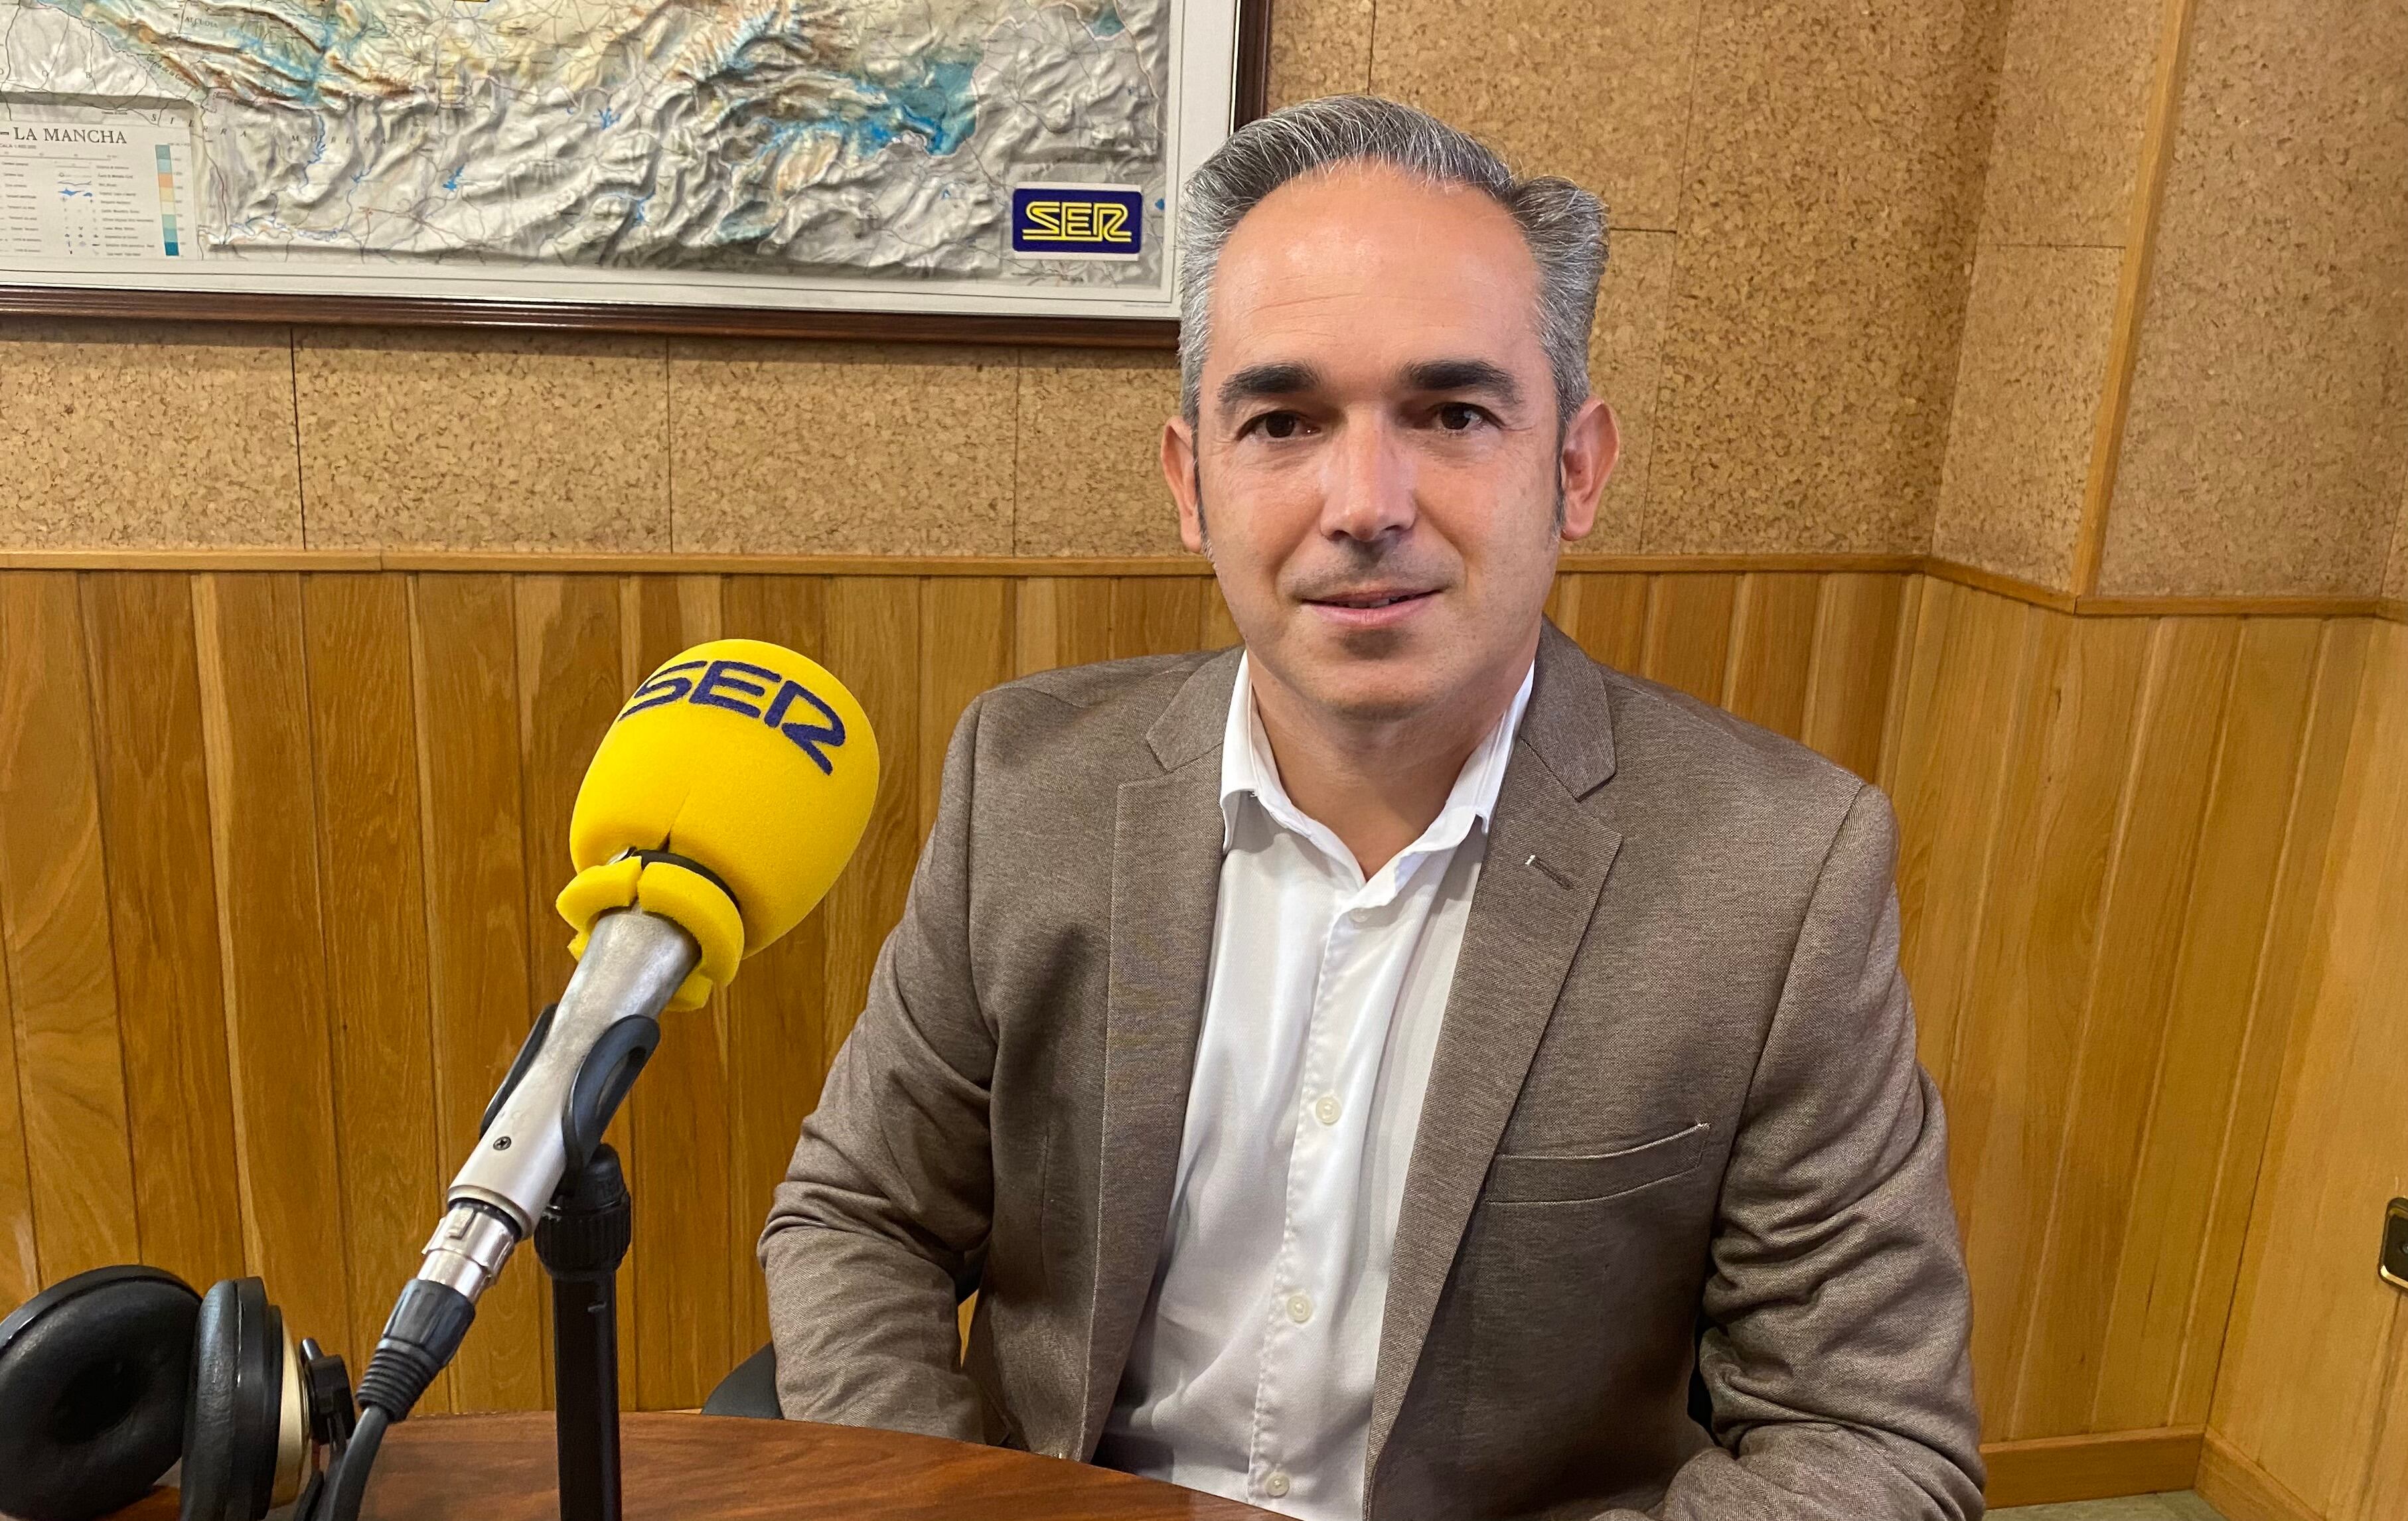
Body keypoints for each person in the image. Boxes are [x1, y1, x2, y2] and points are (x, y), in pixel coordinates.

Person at [759, 95, 1983, 1521]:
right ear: (1191, 482)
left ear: (1572, 470)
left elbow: (1872, 1444)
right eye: (1282, 420)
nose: (1363, 501)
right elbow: (860, 1219)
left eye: (1449, 412)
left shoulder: (1778, 873)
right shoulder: (1028, 783)